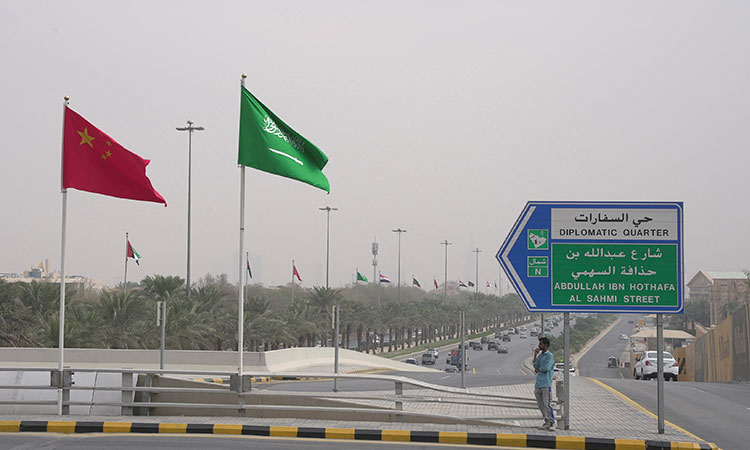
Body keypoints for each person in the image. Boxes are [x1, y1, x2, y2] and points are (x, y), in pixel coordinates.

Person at [532, 336, 555, 431]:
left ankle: (551, 421)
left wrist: (539, 369)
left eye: (541, 344)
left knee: (546, 404)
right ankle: (546, 420)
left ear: (546, 345)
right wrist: (535, 355)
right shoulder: (541, 356)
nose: (539, 345)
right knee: (540, 404)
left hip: (546, 383)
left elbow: (546, 368)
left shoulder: (550, 356)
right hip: (538, 384)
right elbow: (535, 365)